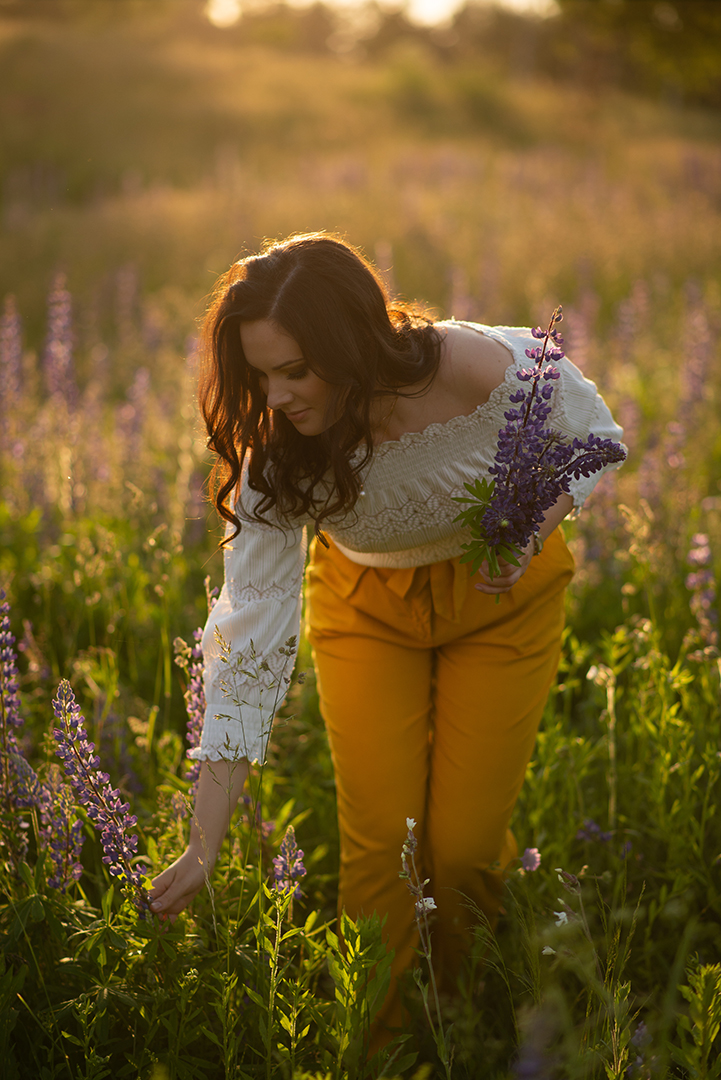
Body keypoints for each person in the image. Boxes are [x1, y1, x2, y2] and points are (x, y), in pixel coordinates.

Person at [149, 232, 624, 1042]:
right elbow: (246, 645)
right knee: (379, 846)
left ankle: (459, 1017)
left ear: (351, 345)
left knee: (464, 847)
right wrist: (203, 845)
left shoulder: (472, 366)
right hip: (366, 607)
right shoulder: (278, 455)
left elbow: (592, 434)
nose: (275, 397)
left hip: (501, 599)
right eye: (259, 376)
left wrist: (531, 526)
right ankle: (381, 1042)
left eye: (294, 371)